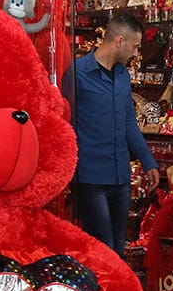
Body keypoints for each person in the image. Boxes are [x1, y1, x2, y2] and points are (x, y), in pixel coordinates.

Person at [62, 13, 161, 259]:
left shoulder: (122, 75)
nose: (136, 53)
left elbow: (129, 122)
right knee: (101, 246)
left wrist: (148, 162)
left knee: (117, 247)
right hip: (90, 178)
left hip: (120, 178)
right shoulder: (78, 73)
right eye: (135, 46)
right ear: (119, 41)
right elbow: (65, 124)